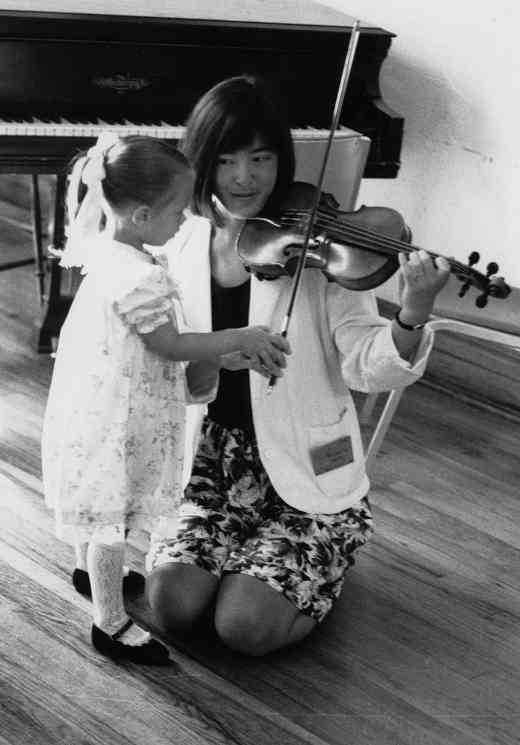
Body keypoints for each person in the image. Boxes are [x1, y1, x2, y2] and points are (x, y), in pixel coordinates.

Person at [145, 75, 451, 656]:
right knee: (172, 603)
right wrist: (209, 362)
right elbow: (163, 363)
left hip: (305, 469)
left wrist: (412, 313)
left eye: (260, 158)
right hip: (210, 466)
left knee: (245, 629)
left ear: (279, 162)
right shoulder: (178, 244)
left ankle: (322, 554)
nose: (244, 177)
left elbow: (367, 366)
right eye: (228, 159)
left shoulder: (316, 249)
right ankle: (243, 559)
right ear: (202, 162)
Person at [41, 132, 289, 665]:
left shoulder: (109, 253)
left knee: (101, 505)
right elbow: (169, 344)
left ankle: (88, 569)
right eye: (177, 209)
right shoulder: (137, 276)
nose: (184, 221)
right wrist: (237, 337)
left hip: (98, 403)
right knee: (113, 518)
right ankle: (109, 621)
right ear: (143, 213)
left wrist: (219, 354)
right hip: (118, 416)